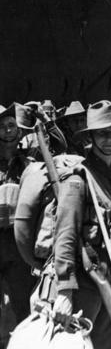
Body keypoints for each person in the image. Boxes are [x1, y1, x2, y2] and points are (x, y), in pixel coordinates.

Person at [52, 101, 111, 349]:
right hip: (85, 279)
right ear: (91, 137)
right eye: (102, 133)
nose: (110, 139)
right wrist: (65, 291)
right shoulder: (79, 180)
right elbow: (65, 234)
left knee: (109, 344)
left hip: (109, 273)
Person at [0, 104, 36, 327]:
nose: (7, 130)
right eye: (2, 127)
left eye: (11, 125)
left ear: (20, 131)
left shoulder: (29, 164)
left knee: (22, 302)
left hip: (17, 244)